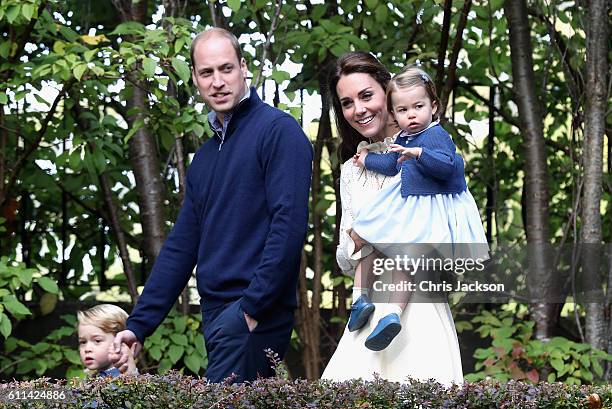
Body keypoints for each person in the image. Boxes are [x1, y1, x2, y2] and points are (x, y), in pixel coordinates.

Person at [111, 28, 313, 383]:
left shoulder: (278, 131)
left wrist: (252, 308)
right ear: (194, 77)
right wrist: (139, 325)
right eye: (207, 73)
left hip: (254, 315)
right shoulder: (205, 157)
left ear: (243, 68)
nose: (218, 82)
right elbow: (182, 244)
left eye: (226, 69)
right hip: (219, 314)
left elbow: (289, 226)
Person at [322, 52, 464, 385]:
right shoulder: (351, 170)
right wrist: (358, 239)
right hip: (369, 311)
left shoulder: (429, 153)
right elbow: (345, 257)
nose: (358, 109)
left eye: (366, 95)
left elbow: (449, 238)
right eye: (347, 102)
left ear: (388, 93)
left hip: (421, 307)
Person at [348, 65, 489, 352]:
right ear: (393, 113)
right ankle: (360, 299)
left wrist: (419, 153)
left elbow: (446, 166)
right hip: (407, 203)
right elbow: (389, 165)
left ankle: (392, 315)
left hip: (427, 208)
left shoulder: (436, 136)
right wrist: (367, 161)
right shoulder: (402, 137)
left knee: (404, 261)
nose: (410, 115)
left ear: (434, 107)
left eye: (418, 107)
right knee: (367, 237)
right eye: (401, 110)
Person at [77, 304, 138, 377]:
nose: (87, 349)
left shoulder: (127, 378)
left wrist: (130, 373)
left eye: (97, 341)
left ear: (122, 343)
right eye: (83, 342)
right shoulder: (88, 378)